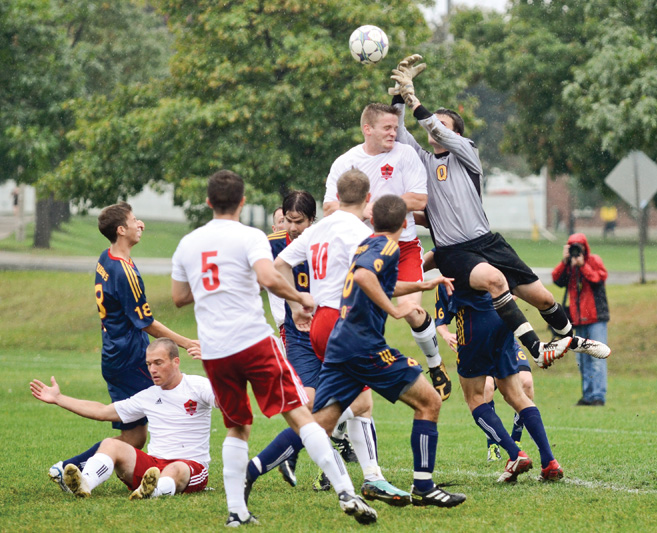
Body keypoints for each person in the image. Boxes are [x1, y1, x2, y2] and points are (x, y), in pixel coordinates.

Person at [171, 170, 376, 526]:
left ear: (207, 202)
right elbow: (269, 276)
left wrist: (208, 287)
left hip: (216, 351)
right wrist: (299, 298)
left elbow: (178, 297)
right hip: (253, 341)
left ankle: (236, 511)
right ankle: (345, 489)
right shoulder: (250, 236)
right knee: (298, 412)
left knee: (236, 426)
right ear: (242, 202)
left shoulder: (188, 243)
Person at [239, 194, 466, 508]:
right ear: (404, 224)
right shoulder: (383, 246)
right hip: (363, 345)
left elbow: (370, 278)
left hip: (340, 341)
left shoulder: (364, 245)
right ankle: (423, 487)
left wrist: (420, 285)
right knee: (429, 401)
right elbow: (363, 277)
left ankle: (253, 467)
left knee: (321, 422)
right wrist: (395, 311)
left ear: (374, 219)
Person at [389, 56, 611, 371]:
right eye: (433, 122)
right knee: (495, 281)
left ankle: (572, 340)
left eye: (442, 124)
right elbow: (398, 131)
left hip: (489, 243)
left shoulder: (467, 153)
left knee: (544, 298)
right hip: (454, 253)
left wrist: (417, 103)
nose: (434, 127)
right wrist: (399, 94)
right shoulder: (422, 161)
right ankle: (537, 349)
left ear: (456, 134)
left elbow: (437, 129)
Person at [257, 172, 409, 504]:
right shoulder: (354, 232)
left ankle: (338, 474)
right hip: (334, 323)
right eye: (288, 221)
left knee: (337, 407)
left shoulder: (320, 230)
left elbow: (281, 266)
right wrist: (297, 301)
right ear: (368, 199)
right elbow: (369, 276)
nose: (293, 227)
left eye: (298, 221)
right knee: (344, 405)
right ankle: (369, 479)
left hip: (320, 324)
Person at [48, 202, 200, 494]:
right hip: (131, 359)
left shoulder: (107, 258)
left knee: (133, 433)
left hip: (115, 354)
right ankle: (77, 468)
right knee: (137, 428)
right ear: (121, 230)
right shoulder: (123, 271)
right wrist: (186, 342)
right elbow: (146, 323)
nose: (139, 224)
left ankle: (71, 468)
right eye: (133, 220)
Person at [323, 103, 452, 401]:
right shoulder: (346, 162)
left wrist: (379, 208)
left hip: (402, 247)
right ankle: (351, 378)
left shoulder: (405, 154)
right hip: (360, 251)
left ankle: (434, 364)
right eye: (387, 128)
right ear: (367, 129)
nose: (394, 133)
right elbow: (329, 206)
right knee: (356, 318)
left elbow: (419, 199)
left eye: (395, 127)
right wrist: (360, 209)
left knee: (411, 310)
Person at [429, 254, 563, 482]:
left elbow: (422, 264)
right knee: (515, 394)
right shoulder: (489, 246)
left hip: (473, 324)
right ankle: (549, 461)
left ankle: (515, 454)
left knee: (474, 398)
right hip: (504, 319)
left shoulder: (447, 251)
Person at [31, 339, 213, 500]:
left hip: (190, 467)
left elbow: (227, 402)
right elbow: (102, 411)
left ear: (176, 362)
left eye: (158, 363)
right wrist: (59, 398)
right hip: (153, 466)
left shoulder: (198, 386)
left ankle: (154, 491)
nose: (152, 370)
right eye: (149, 364)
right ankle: (85, 483)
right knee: (112, 444)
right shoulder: (148, 395)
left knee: (175, 469)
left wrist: (216, 368)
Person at [552, 233, 610, 406]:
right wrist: (565, 262)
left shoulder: (594, 260)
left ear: (585, 247)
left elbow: (599, 279)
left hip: (595, 317)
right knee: (583, 360)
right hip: (578, 319)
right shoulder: (569, 266)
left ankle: (598, 396)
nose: (577, 250)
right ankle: (588, 395)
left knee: (597, 356)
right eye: (572, 247)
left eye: (579, 246)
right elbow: (556, 279)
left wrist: (583, 266)